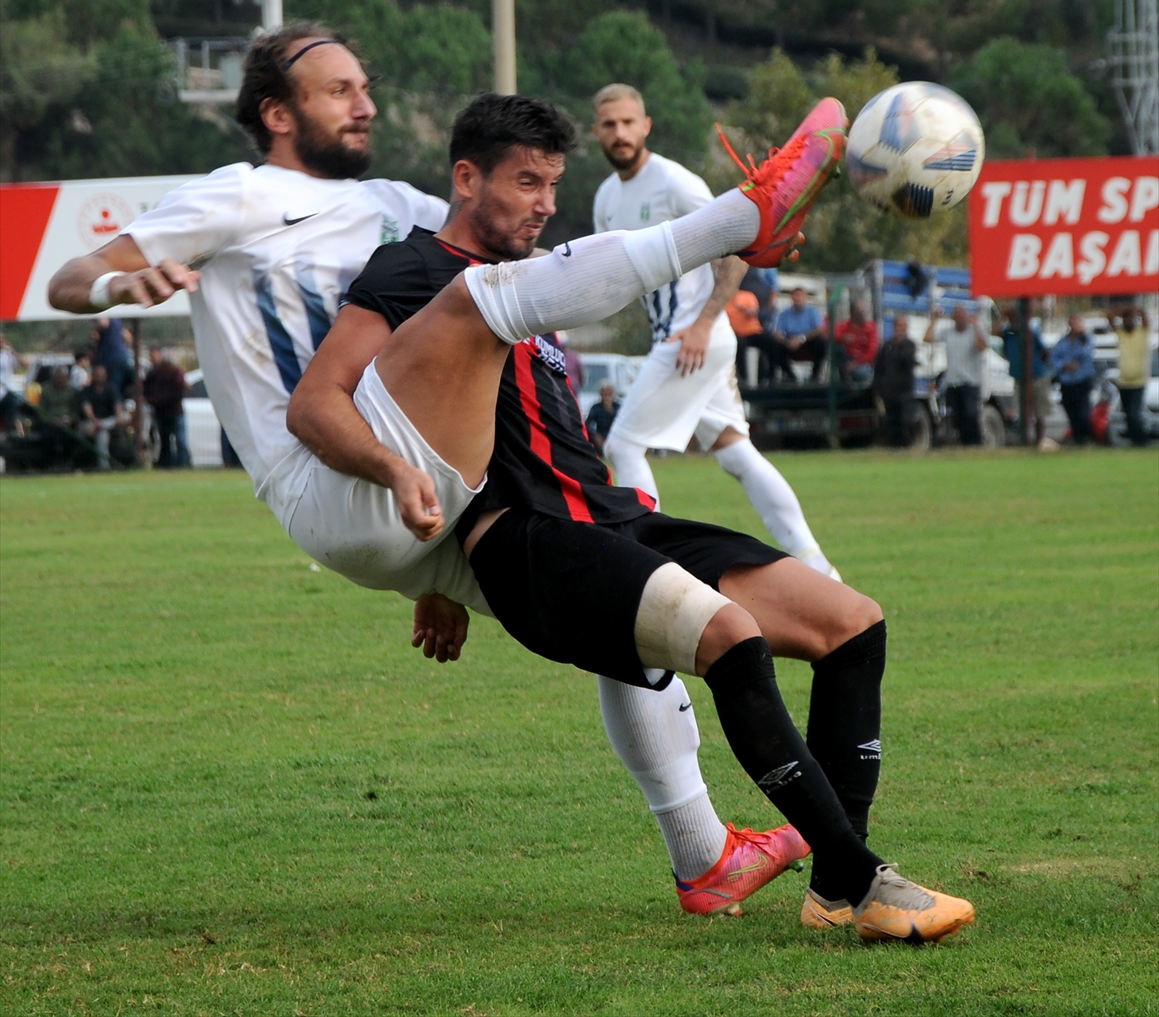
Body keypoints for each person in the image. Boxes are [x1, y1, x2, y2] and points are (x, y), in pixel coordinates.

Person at [48, 26, 841, 919]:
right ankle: (740, 215)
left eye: (365, 86)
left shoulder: (400, 203)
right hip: (328, 469)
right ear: (276, 113)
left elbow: (508, 289)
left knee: (607, 576)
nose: (366, 104)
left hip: (417, 487)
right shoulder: (241, 195)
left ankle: (703, 854)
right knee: (483, 301)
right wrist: (123, 286)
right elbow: (70, 278)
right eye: (339, 90)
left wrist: (440, 551)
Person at [291, 94, 973, 943]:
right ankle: (862, 881)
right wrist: (409, 522)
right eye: (524, 182)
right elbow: (321, 404)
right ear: (465, 179)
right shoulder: (410, 270)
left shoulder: (533, 285)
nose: (543, 203)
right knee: (729, 637)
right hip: (526, 540)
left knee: (851, 625)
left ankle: (836, 881)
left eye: (552, 185)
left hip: (611, 514)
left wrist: (427, 580)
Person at [590, 83, 842, 581]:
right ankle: (817, 565)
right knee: (735, 451)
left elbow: (733, 245)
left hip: (692, 339)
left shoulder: (676, 183)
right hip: (680, 338)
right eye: (608, 125)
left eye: (627, 122)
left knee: (622, 446)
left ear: (646, 126)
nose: (619, 133)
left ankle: (651, 574)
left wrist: (704, 325)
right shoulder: (605, 198)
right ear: (596, 131)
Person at [924, 304, 988, 446]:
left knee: (971, 415)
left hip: (970, 382)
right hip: (952, 382)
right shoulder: (948, 332)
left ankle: (976, 443)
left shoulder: (974, 332)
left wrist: (976, 326)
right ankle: (964, 444)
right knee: (957, 417)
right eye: (956, 316)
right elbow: (927, 338)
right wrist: (935, 320)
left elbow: (982, 347)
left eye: (961, 315)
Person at [994, 304, 1053, 449]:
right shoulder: (1009, 333)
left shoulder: (1029, 331)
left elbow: (1044, 351)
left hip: (1037, 376)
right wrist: (1002, 316)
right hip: (1020, 378)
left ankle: (1039, 441)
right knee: (1023, 413)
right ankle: (1026, 441)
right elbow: (994, 332)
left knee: (1040, 411)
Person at [1107, 302, 1150, 447]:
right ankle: (1134, 439)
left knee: (1134, 413)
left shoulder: (1141, 333)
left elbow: (1145, 318)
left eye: (1130, 319)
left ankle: (1140, 440)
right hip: (1124, 382)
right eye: (1126, 319)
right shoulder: (1121, 334)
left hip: (1138, 381)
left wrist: (1135, 310)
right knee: (1127, 413)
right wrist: (1124, 310)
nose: (1128, 321)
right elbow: (1109, 316)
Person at [1050, 314, 1096, 446]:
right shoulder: (1063, 341)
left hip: (1082, 380)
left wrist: (1082, 336)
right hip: (1067, 382)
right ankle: (1077, 438)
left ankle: (1086, 439)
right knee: (1071, 411)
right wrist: (1065, 365)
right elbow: (1053, 359)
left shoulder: (1086, 339)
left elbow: (1086, 353)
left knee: (1083, 412)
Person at [143, 347, 189, 467]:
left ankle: (183, 463)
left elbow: (176, 392)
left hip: (174, 411)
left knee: (180, 440)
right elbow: (146, 386)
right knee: (165, 440)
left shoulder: (176, 374)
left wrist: (152, 400)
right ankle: (168, 463)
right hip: (163, 411)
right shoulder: (156, 373)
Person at [875, 317, 916, 448]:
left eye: (903, 326)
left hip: (904, 391)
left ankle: (906, 445)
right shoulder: (887, 346)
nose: (900, 329)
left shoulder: (909, 345)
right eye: (898, 326)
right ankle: (894, 446)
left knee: (905, 420)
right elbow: (879, 367)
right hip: (889, 391)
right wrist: (877, 387)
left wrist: (900, 344)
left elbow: (908, 361)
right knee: (891, 421)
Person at [77, 363, 126, 469]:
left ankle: (102, 426)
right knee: (102, 435)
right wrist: (95, 422)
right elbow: (87, 409)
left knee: (126, 416)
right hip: (90, 423)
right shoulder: (86, 391)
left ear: (106, 376)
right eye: (97, 375)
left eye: (102, 375)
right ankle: (104, 467)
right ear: (92, 376)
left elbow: (117, 405)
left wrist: (118, 416)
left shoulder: (111, 389)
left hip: (107, 422)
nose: (99, 377)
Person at [36, 365, 79, 467]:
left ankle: (68, 461)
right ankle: (49, 464)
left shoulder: (73, 390)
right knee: (47, 437)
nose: (60, 380)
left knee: (70, 437)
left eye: (62, 377)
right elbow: (41, 410)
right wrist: (50, 421)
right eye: (57, 378)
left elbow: (76, 409)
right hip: (50, 423)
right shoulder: (46, 389)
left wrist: (71, 420)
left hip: (68, 422)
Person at [834, 299, 878, 386]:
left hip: (863, 363)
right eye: (859, 311)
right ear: (852, 312)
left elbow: (872, 351)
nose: (863, 314)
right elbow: (831, 335)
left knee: (862, 373)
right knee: (836, 347)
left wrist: (855, 364)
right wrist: (843, 337)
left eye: (863, 311)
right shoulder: (844, 326)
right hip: (846, 361)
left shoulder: (871, 327)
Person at [94, 316, 132, 400]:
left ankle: (115, 404)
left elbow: (102, 324)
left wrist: (97, 331)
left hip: (111, 358)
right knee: (123, 384)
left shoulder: (106, 317)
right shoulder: (118, 322)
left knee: (113, 386)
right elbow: (128, 337)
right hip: (123, 356)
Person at [586, 383, 620, 455]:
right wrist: (596, 435)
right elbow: (589, 424)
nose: (607, 397)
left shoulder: (618, 408)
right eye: (605, 394)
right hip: (601, 435)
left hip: (616, 436)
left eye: (609, 394)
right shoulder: (596, 408)